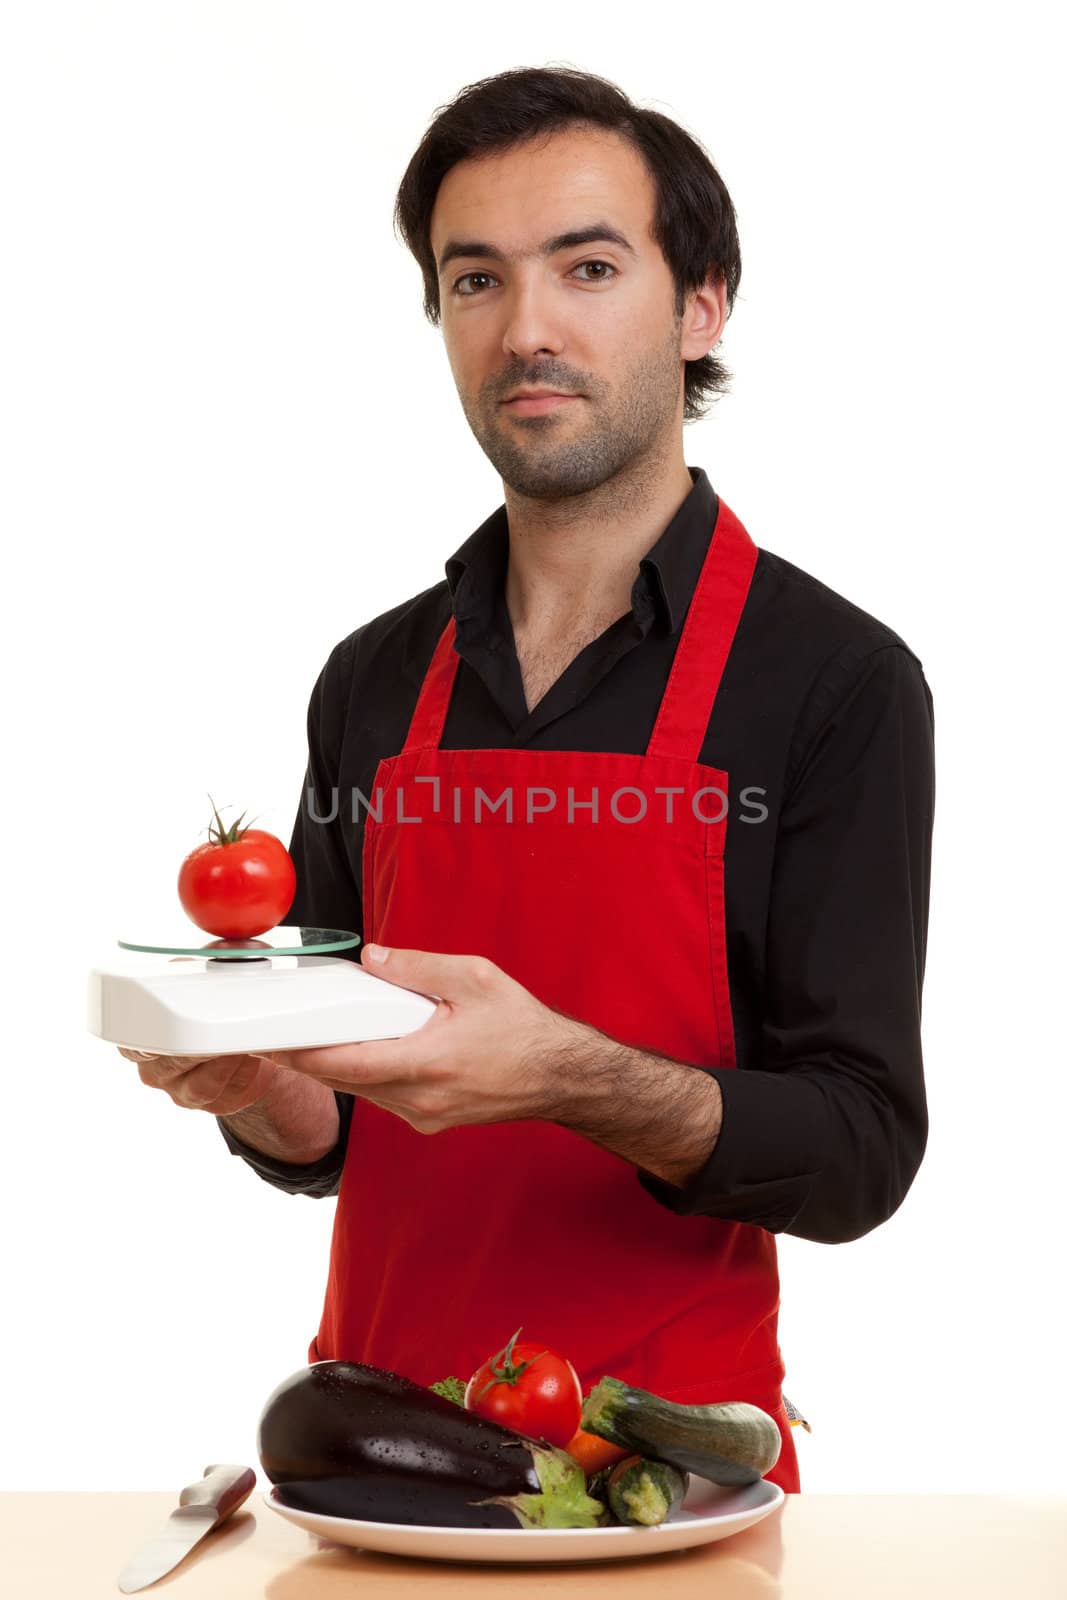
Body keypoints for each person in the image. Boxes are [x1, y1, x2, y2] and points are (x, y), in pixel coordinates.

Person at [120, 65, 935, 1494]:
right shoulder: (374, 678)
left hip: (663, 1471)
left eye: (590, 266)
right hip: (374, 1454)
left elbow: (860, 1150)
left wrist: (576, 1079)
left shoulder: (835, 683)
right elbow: (333, 1130)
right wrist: (251, 1082)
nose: (529, 330)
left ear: (701, 306)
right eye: (476, 278)